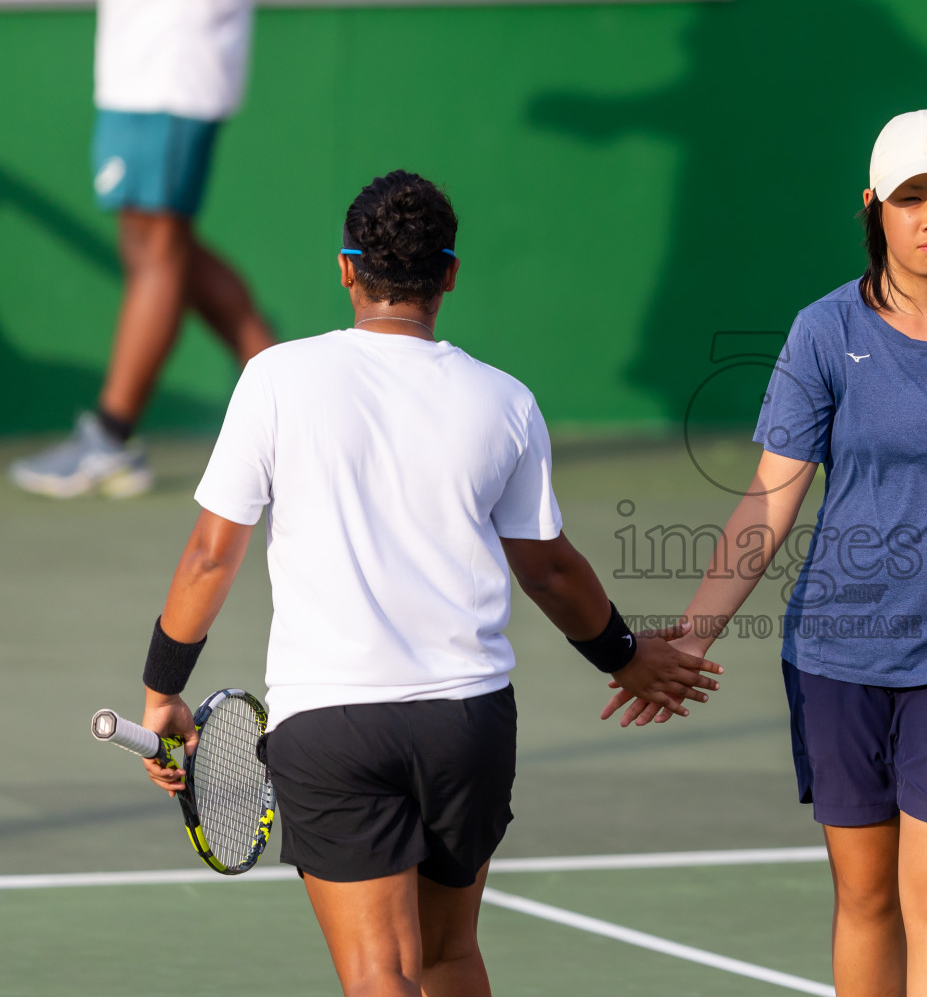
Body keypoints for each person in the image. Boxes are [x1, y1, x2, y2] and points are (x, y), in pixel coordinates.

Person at [135, 170, 721, 997]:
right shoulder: (506, 401)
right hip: (467, 727)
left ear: (345, 268)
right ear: (449, 273)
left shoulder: (274, 378)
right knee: (446, 959)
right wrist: (625, 656)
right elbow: (550, 569)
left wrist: (163, 691)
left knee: (381, 974)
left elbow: (208, 555)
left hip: (332, 729)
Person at [605, 111, 927, 996]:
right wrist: (691, 635)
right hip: (840, 658)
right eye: (913, 198)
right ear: (874, 207)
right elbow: (770, 496)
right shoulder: (821, 332)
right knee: (867, 899)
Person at [10, 0, 276, 498]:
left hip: (177, 59)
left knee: (159, 242)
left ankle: (112, 437)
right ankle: (293, 397)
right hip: (135, 60)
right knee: (149, 239)